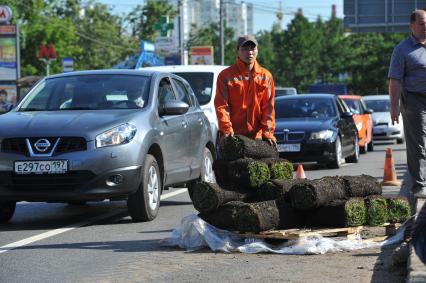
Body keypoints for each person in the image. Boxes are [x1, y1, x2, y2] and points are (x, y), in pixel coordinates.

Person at [388, 9, 426, 208]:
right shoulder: (402, 49)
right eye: (422, 23)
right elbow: (395, 81)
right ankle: (419, 185)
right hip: (414, 101)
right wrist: (394, 107)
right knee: (419, 143)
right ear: (412, 26)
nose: (425, 26)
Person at [214, 35, 276, 148]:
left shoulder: (266, 76)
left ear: (257, 50)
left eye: (253, 49)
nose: (250, 52)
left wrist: (268, 133)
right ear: (237, 51)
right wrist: (227, 130)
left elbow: (268, 108)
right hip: (232, 137)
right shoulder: (225, 76)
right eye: (245, 49)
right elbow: (221, 106)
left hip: (258, 138)